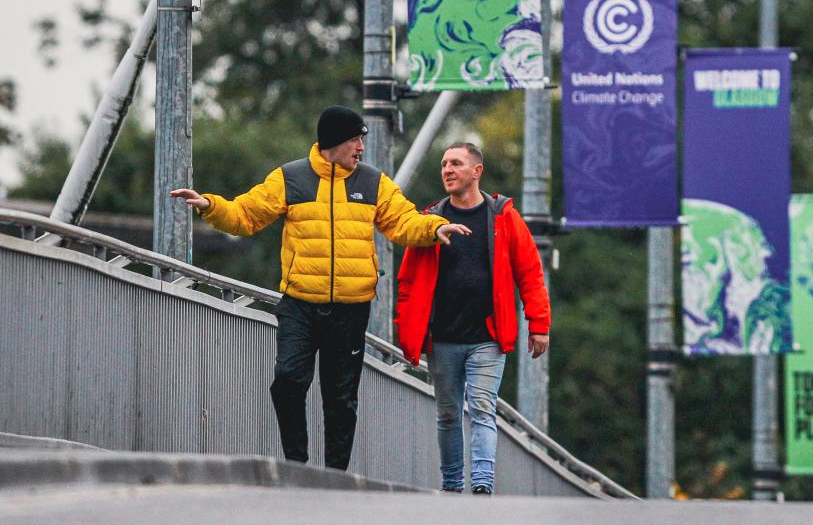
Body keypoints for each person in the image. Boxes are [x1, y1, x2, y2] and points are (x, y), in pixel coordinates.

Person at [169, 106, 469, 470]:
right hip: (299, 304)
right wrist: (210, 206)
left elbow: (403, 221)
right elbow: (246, 215)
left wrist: (433, 227)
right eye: (355, 139)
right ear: (334, 142)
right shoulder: (291, 178)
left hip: (351, 308)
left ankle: (335, 475)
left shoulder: (373, 183)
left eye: (362, 140)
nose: (361, 147)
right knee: (287, 381)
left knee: (341, 399)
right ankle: (296, 462)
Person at [395, 142, 551, 494]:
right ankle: (452, 486)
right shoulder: (429, 220)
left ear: (476, 171)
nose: (447, 170)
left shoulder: (502, 217)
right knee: (448, 415)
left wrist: (538, 325)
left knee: (482, 407)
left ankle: (482, 485)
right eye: (444, 164)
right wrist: (408, 333)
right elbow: (407, 283)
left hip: (488, 338)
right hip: (444, 338)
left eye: (456, 164)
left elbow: (530, 273)